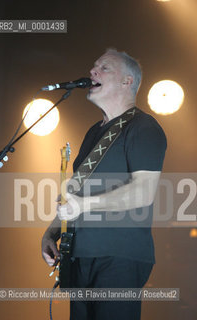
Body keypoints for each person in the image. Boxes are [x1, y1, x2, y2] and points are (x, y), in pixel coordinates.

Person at [42, 48, 167, 320]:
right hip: (80, 255)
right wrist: (52, 232)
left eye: (104, 68)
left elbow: (143, 192)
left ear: (127, 81)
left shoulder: (144, 128)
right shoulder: (93, 132)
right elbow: (74, 194)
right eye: (94, 66)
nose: (92, 71)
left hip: (118, 256)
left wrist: (84, 205)